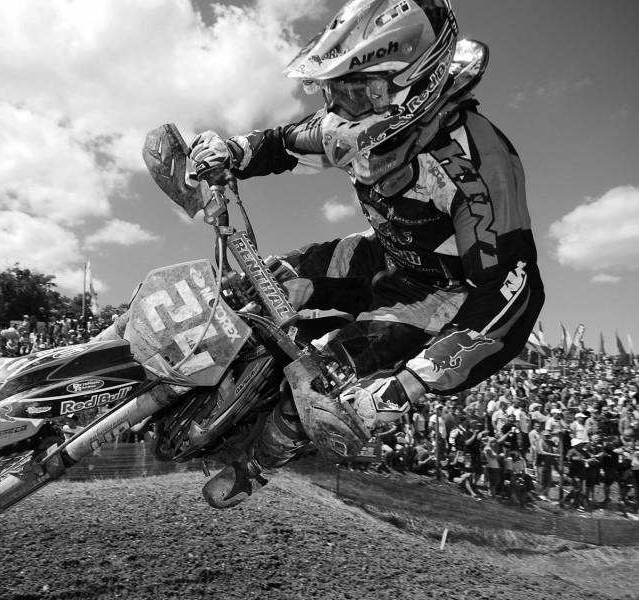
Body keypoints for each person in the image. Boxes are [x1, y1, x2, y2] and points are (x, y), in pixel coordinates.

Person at [191, 0, 544, 508]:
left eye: (357, 92)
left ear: (416, 83)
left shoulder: (478, 162)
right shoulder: (353, 118)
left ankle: (253, 467)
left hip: (438, 297)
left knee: (323, 380)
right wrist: (232, 152)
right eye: (335, 90)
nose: (340, 109)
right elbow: (284, 143)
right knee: (265, 282)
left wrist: (410, 384)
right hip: (383, 253)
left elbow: (510, 290)